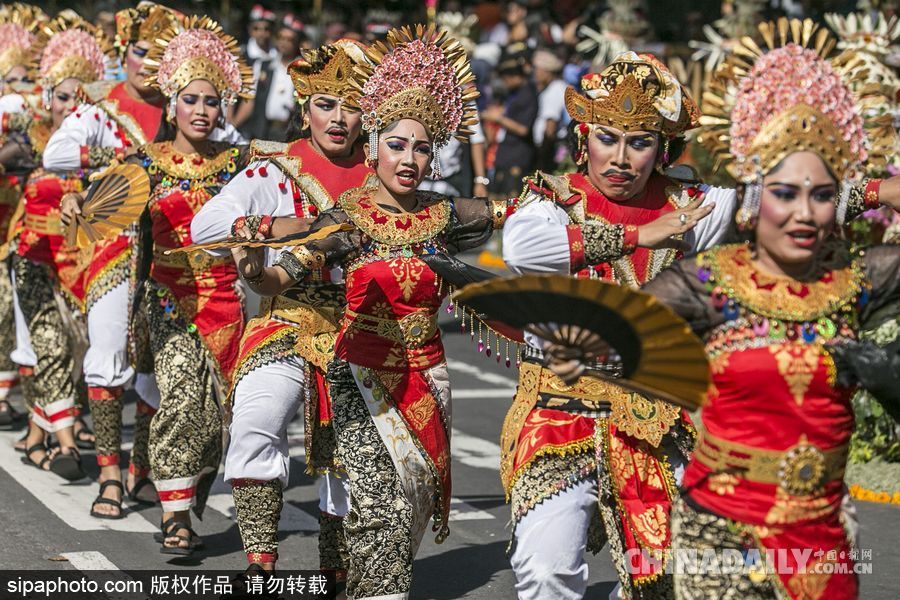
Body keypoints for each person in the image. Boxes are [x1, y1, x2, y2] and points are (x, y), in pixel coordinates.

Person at [544, 20, 900, 600]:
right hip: (720, 528)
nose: (804, 213)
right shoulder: (708, 282)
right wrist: (582, 345)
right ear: (756, 201)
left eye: (821, 196)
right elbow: (623, 325)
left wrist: (882, 192)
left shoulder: (856, 282)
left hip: (819, 533)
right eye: (784, 194)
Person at [231, 24, 512, 599]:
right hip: (358, 374)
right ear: (375, 147)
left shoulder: (445, 215)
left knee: (410, 507)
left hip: (426, 376)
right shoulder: (348, 219)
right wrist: (254, 268)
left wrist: (609, 213)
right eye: (397, 145)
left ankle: (356, 581)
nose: (409, 158)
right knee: (381, 507)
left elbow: (528, 212)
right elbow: (283, 274)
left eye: (421, 148)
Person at [500, 52, 737, 599]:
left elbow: (778, 203)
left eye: (640, 143)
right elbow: (521, 248)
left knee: (677, 579)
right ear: (585, 139)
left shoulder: (687, 206)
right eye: (608, 138)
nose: (622, 159)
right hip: (558, 414)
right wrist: (637, 236)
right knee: (546, 571)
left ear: (662, 149)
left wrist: (872, 194)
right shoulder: (552, 200)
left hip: (651, 421)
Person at [190, 39, 376, 581]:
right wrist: (275, 226)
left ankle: (337, 570)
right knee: (255, 421)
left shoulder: (385, 170)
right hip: (285, 319)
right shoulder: (276, 169)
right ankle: (260, 563)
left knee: (350, 454)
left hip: (361, 327)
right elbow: (205, 226)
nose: (338, 119)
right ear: (304, 108)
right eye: (325, 104)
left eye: (352, 106)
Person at [126, 14, 251, 553]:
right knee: (179, 397)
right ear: (171, 103)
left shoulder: (239, 163)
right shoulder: (144, 164)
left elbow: (296, 177)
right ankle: (175, 516)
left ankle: (183, 488)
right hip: (168, 298)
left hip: (226, 298)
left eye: (212, 101)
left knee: (218, 414)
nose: (202, 110)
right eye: (191, 99)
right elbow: (108, 209)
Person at [46, 1, 177, 513]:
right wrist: (117, 158)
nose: (149, 63)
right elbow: (56, 153)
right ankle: (109, 475)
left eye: (161, 54)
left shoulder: (184, 106)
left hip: (169, 250)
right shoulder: (100, 104)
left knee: (154, 365)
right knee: (106, 353)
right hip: (114, 245)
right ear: (125, 52)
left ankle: (141, 469)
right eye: (142, 51)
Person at [13, 16, 107, 483]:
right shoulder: (26, 142)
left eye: (82, 99)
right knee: (47, 345)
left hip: (86, 265)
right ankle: (67, 444)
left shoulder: (102, 150)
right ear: (49, 97)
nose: (73, 106)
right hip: (33, 260)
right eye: (65, 96)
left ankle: (37, 436)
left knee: (76, 354)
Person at [482, 53, 538, 198]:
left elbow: (523, 129)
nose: (504, 83)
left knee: (511, 199)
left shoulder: (528, 96)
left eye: (506, 79)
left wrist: (498, 118)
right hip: (506, 153)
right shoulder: (514, 94)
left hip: (517, 155)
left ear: (516, 77)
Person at [531, 49, 567, 172]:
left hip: (553, 148)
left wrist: (543, 154)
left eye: (537, 69)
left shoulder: (555, 90)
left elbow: (550, 126)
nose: (535, 73)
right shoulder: (557, 87)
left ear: (547, 71)